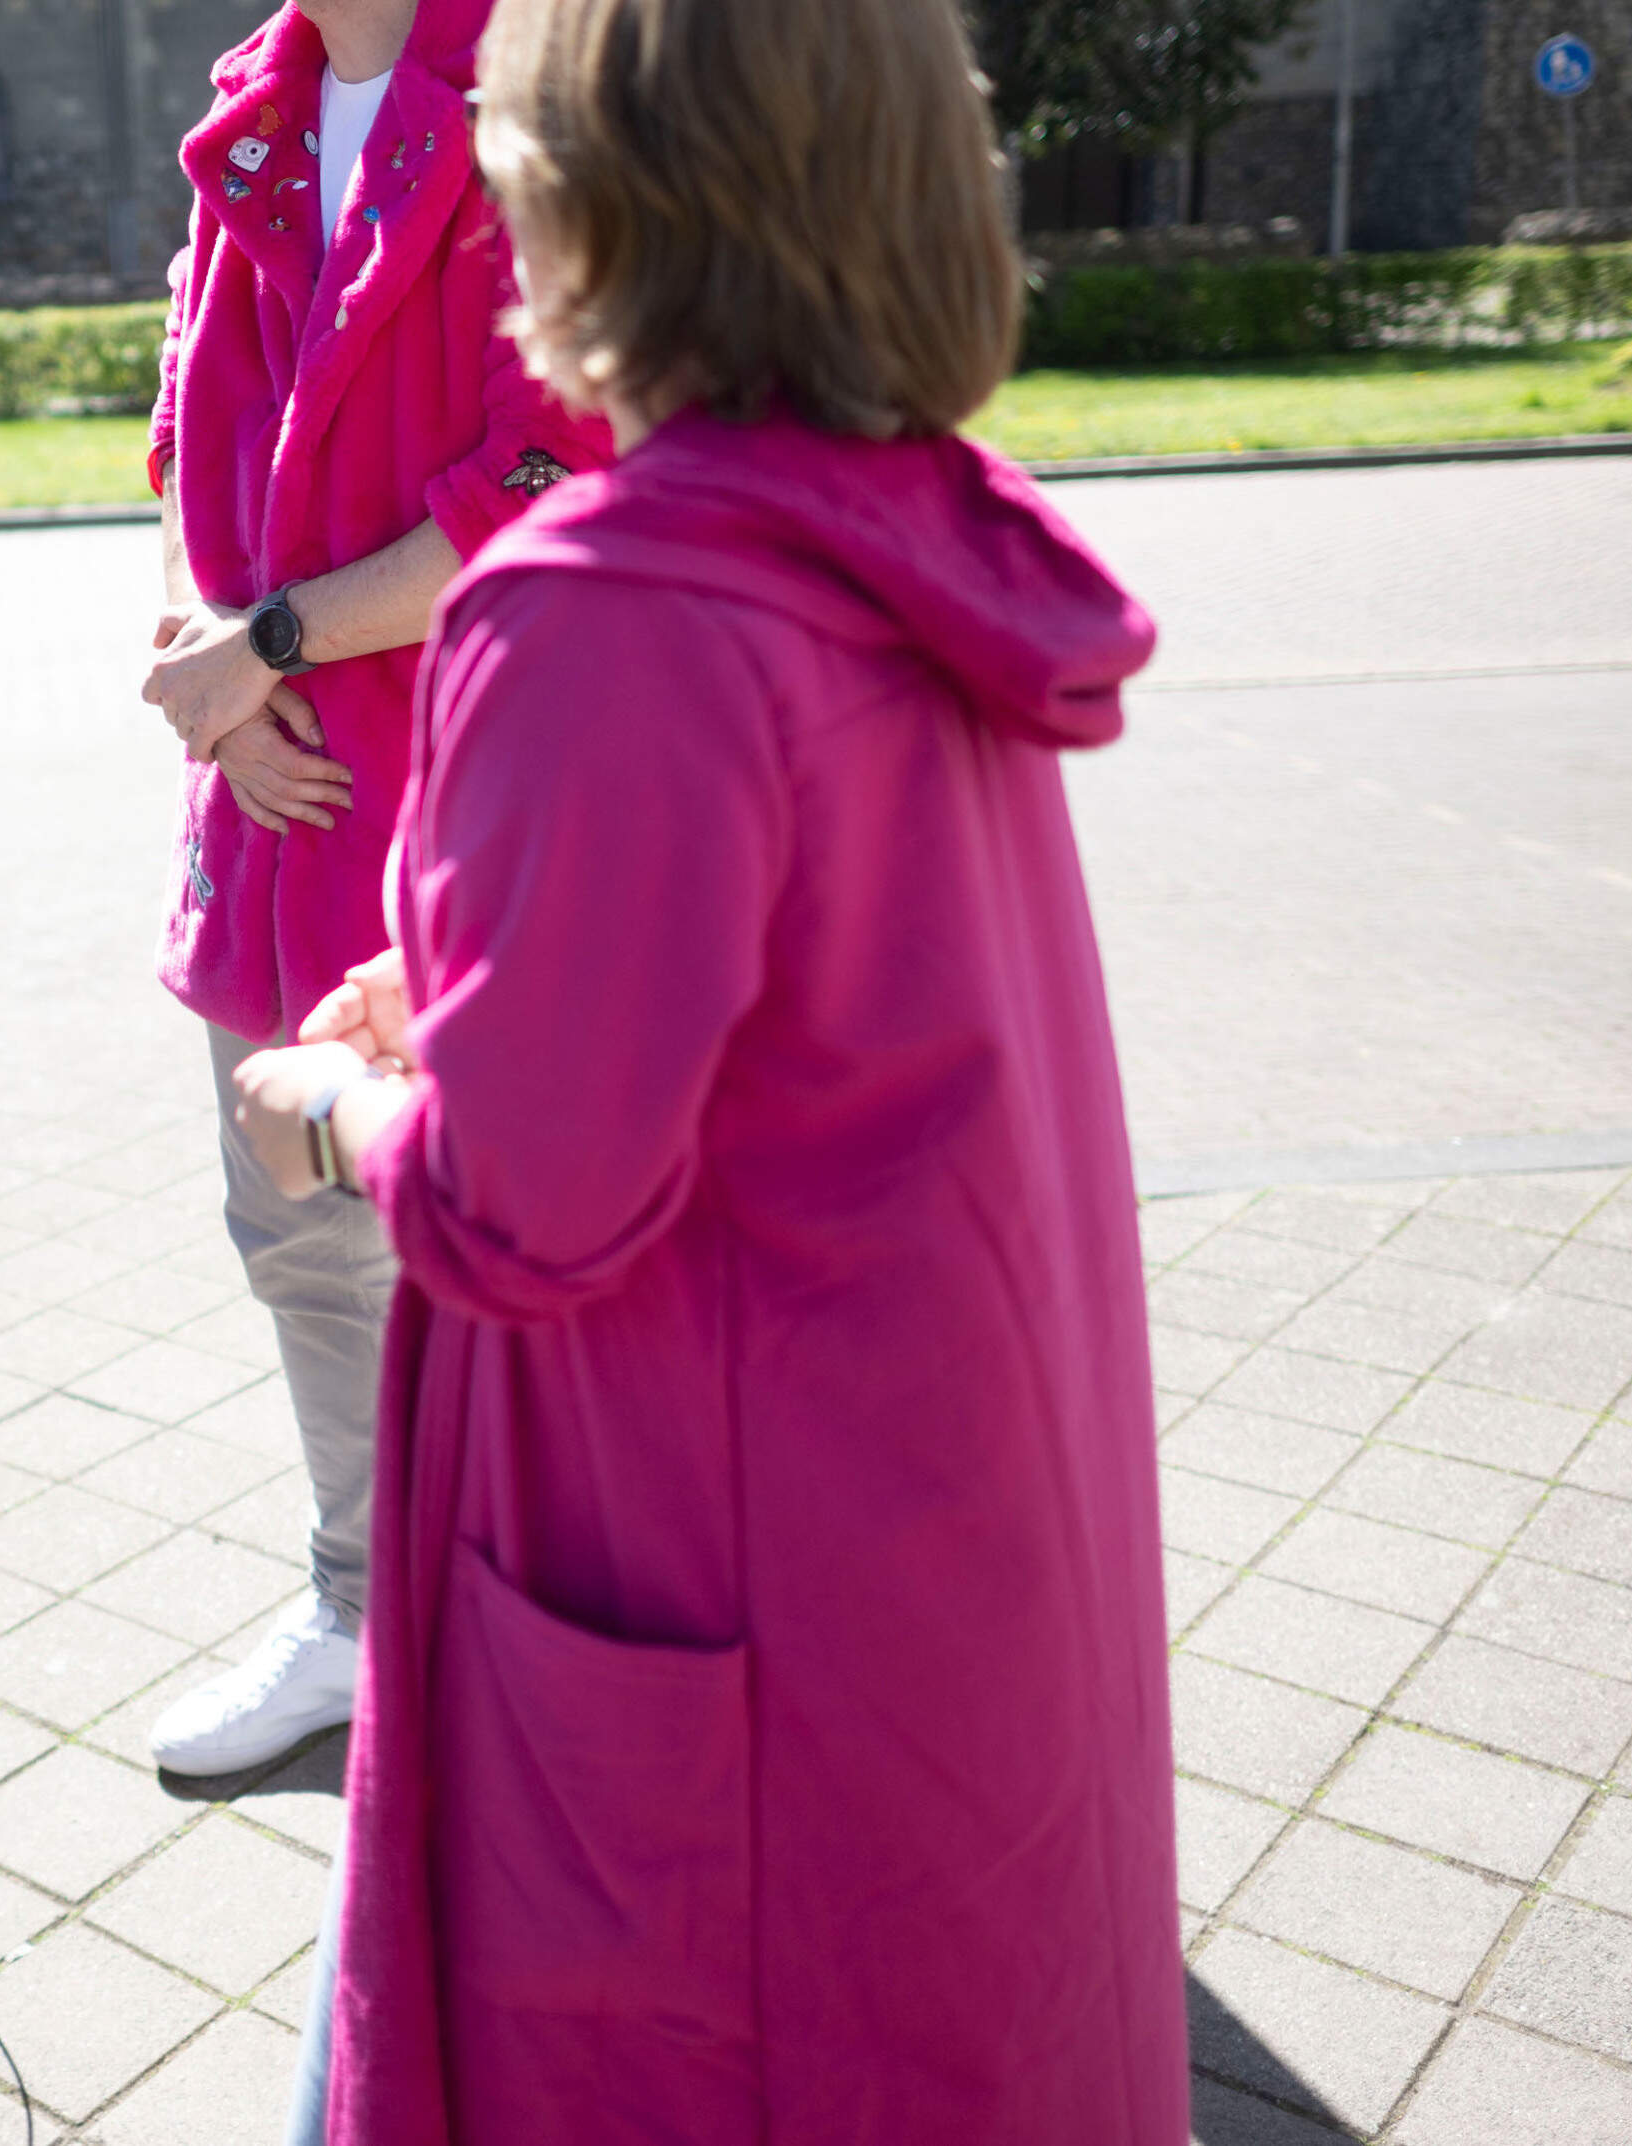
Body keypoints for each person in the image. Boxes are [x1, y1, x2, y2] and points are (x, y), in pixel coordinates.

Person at [226, 0, 1185, 2129]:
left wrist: (330, 1098)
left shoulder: (607, 604)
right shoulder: (902, 523)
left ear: (599, 205)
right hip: (933, 1521)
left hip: (708, 1562)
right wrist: (476, 1000)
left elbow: (515, 1211)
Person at [134, 0, 610, 1778]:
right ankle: (360, 1614)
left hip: (458, 797)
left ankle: (536, 1639)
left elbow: (547, 479)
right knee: (301, 1245)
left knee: (503, 1250)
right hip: (270, 791)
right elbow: (182, 448)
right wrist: (213, 689)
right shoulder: (248, 113)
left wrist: (264, 647)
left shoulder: (530, 93)